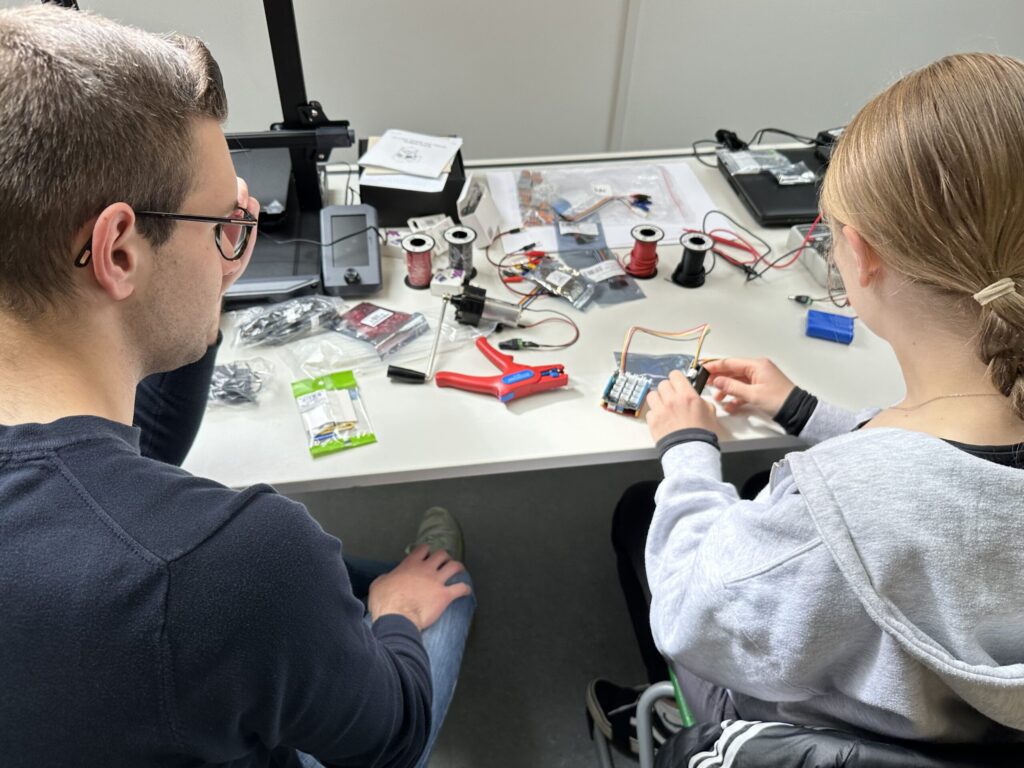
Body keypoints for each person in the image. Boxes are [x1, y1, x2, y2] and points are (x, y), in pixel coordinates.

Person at [0, 6, 473, 767]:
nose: (238, 239)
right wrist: (394, 619)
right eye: (224, 218)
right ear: (118, 250)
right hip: (227, 627)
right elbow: (391, 733)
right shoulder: (247, 559)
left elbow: (125, 466)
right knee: (431, 590)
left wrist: (198, 283)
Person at [590, 52, 1024, 753]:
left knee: (643, 510)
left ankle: (685, 722)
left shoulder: (842, 505)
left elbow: (689, 612)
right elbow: (956, 479)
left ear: (861, 254)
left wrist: (689, 452)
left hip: (799, 728)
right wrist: (803, 412)